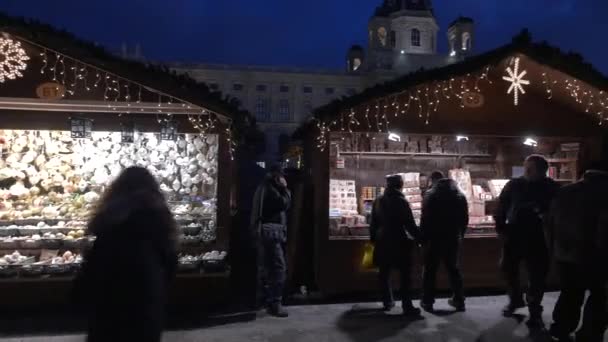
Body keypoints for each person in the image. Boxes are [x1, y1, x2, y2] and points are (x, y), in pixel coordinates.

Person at [73, 167, 177, 342]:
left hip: (108, 309)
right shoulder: (158, 220)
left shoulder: (109, 221)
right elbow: (170, 265)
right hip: (145, 306)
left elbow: (93, 269)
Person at [494, 155, 560, 328]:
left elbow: (558, 213)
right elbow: (501, 206)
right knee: (508, 268)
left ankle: (534, 310)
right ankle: (515, 299)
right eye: (526, 168)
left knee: (537, 275)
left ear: (542, 170)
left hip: (539, 236)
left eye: (531, 169)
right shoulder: (514, 184)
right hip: (515, 234)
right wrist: (500, 228)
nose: (527, 171)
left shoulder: (552, 188)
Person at [546, 161, 608, 342]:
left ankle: (561, 328)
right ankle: (589, 334)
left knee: (570, 293)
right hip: (597, 255)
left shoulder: (565, 191)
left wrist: (553, 248)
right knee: (599, 297)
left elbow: (549, 223)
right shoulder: (605, 193)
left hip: (565, 253)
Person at [370, 174, 422, 317]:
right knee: (405, 275)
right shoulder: (401, 201)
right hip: (399, 241)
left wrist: (373, 240)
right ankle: (407, 305)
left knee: (384, 273)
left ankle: (387, 302)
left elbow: (373, 224)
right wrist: (420, 238)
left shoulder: (378, 200)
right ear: (400, 185)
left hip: (382, 241)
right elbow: (410, 224)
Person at [420, 178, 469, 312]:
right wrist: (460, 235)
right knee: (454, 270)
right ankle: (459, 300)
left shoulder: (430, 195)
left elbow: (425, 219)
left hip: (433, 238)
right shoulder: (460, 196)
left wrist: (422, 238)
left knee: (430, 270)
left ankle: (427, 301)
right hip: (452, 238)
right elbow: (465, 219)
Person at [251, 164, 292, 317]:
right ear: (277, 176)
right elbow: (284, 204)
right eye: (282, 176)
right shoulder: (272, 189)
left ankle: (262, 300)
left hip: (264, 233)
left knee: (265, 268)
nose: (284, 178)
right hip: (271, 234)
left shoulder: (263, 187)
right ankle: (275, 303)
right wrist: (285, 189)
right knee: (278, 268)